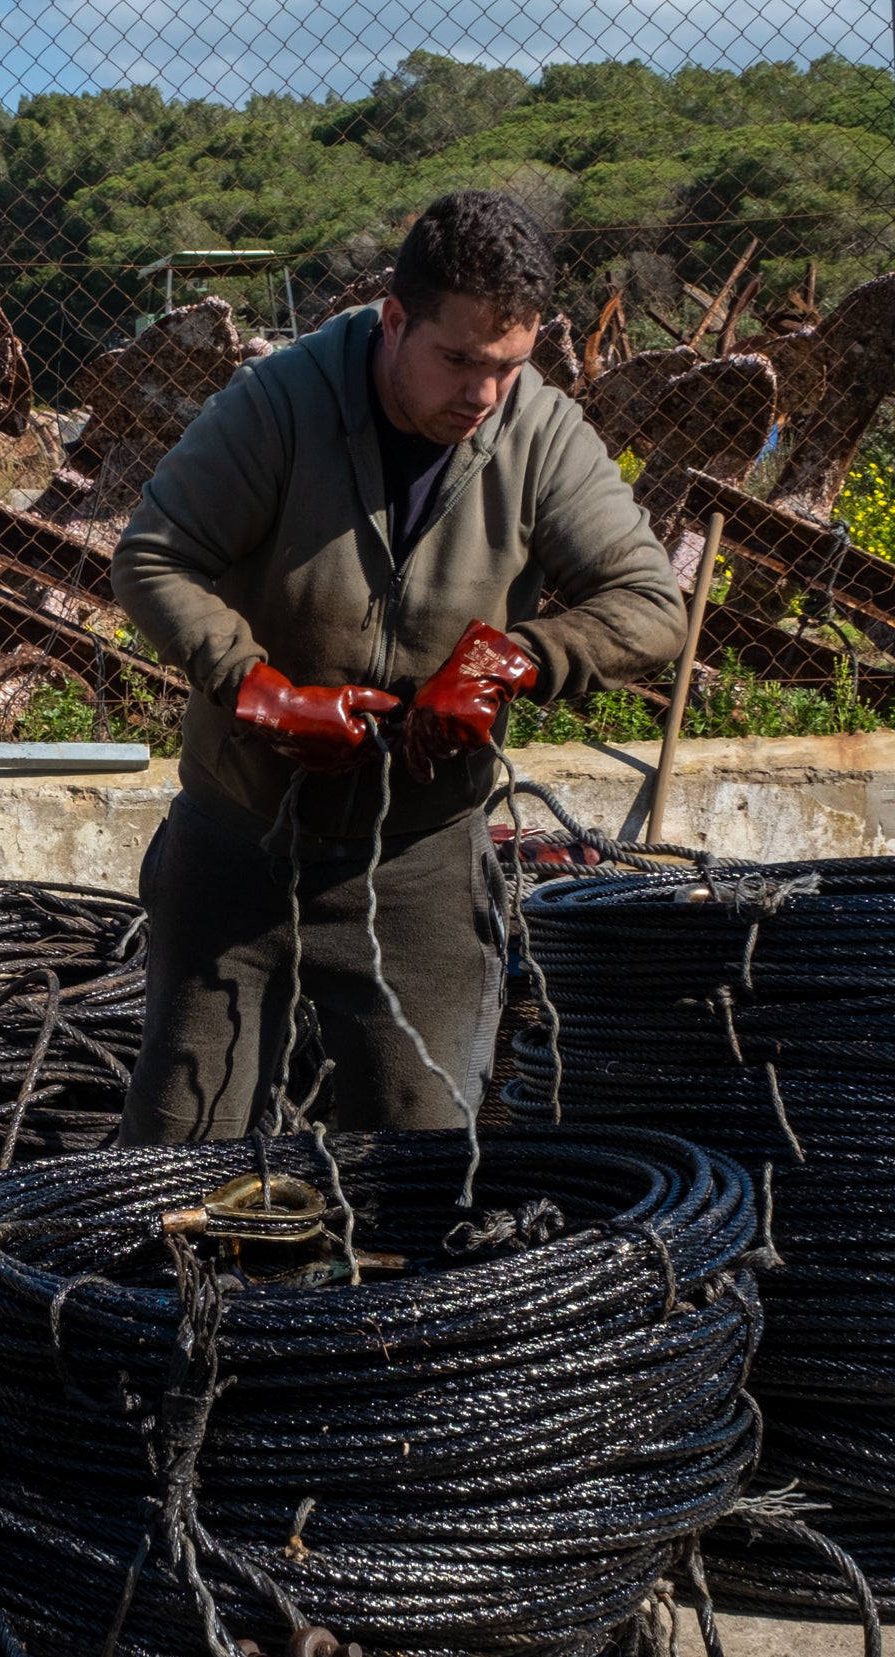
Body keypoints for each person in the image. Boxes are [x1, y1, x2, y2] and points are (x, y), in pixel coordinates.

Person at [110, 191, 683, 1143]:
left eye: (507, 366)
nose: (481, 394)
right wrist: (259, 691)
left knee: (424, 1159)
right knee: (181, 1150)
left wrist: (516, 661)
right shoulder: (281, 403)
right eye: (455, 360)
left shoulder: (538, 433)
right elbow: (152, 556)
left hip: (418, 858)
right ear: (393, 322)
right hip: (239, 843)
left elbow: (649, 605)